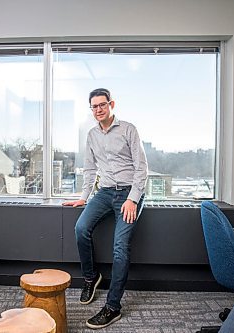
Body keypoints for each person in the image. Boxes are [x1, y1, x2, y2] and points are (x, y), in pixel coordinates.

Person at [62, 88, 148, 329]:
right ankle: (91, 278)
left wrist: (132, 198)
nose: (98, 110)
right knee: (81, 228)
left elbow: (142, 168)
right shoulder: (91, 135)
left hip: (129, 193)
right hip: (106, 191)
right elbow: (90, 169)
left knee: (120, 247)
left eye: (102, 105)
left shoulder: (129, 129)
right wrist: (84, 197)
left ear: (111, 104)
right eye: (94, 106)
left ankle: (113, 307)